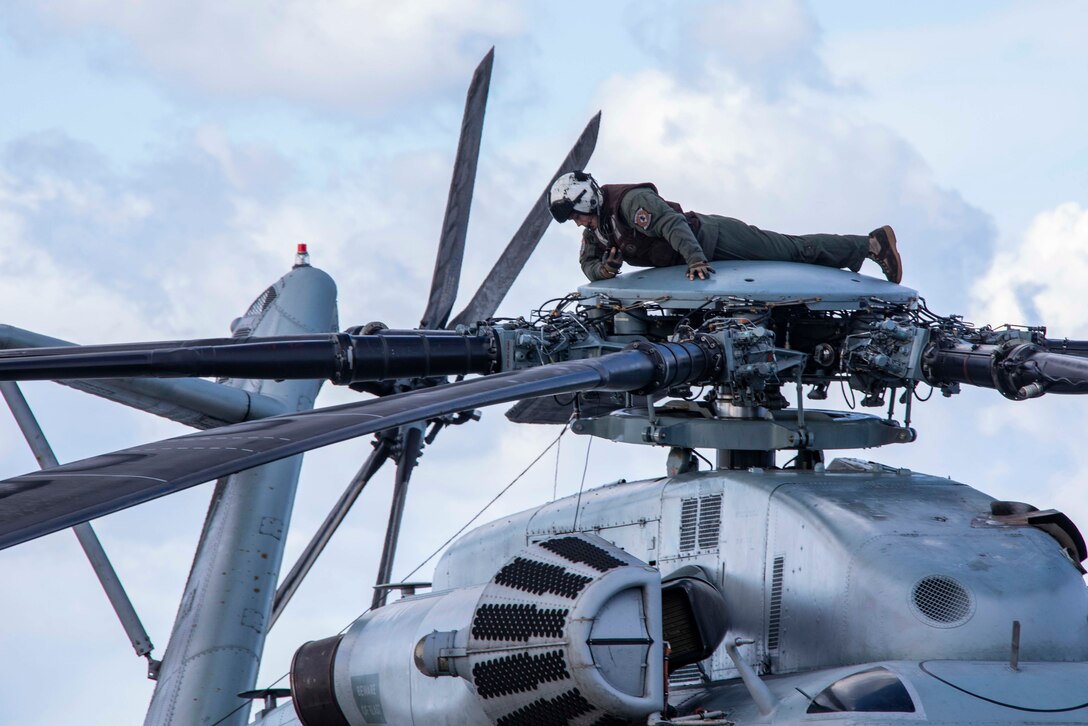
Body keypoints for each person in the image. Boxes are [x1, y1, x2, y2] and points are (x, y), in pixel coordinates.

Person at [548, 171, 902, 284]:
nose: (577, 222)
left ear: (585, 200)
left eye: (576, 214)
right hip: (693, 262)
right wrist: (604, 270)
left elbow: (672, 224)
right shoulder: (597, 229)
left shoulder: (629, 203)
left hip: (714, 239)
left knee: (792, 252)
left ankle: (870, 245)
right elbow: (588, 265)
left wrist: (696, 260)